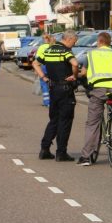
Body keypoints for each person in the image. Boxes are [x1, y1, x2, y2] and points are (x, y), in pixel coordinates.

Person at [77, 32, 112, 167]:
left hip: (98, 90)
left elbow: (83, 73)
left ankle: (86, 157)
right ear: (109, 42)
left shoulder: (90, 54)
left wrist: (77, 77)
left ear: (99, 41)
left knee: (93, 123)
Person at [34, 30, 78, 161]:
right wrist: (74, 76)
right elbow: (75, 64)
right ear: (69, 39)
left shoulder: (49, 50)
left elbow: (35, 64)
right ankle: (61, 152)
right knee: (65, 121)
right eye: (74, 42)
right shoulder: (65, 51)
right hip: (65, 89)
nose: (74, 45)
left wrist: (44, 77)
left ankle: (45, 149)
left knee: (54, 119)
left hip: (53, 88)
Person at [34, 34, 55, 107]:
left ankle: (46, 102)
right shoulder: (53, 46)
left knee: (44, 84)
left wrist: (36, 70)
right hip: (53, 67)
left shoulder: (41, 47)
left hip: (44, 67)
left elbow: (37, 59)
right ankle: (53, 100)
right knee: (53, 83)